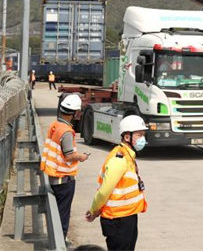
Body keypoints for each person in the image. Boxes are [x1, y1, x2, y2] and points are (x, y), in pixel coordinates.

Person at [85, 115, 148, 251]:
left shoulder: (128, 155)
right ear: (127, 137)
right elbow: (104, 191)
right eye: (139, 135)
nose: (143, 138)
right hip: (118, 220)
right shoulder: (119, 159)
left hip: (127, 216)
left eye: (143, 134)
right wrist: (94, 209)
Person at [40, 94, 89, 240]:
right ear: (74, 113)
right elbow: (68, 156)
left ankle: (56, 239)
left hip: (54, 176)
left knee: (58, 212)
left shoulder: (55, 126)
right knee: (63, 214)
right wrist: (81, 157)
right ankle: (60, 241)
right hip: (64, 180)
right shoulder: (66, 131)